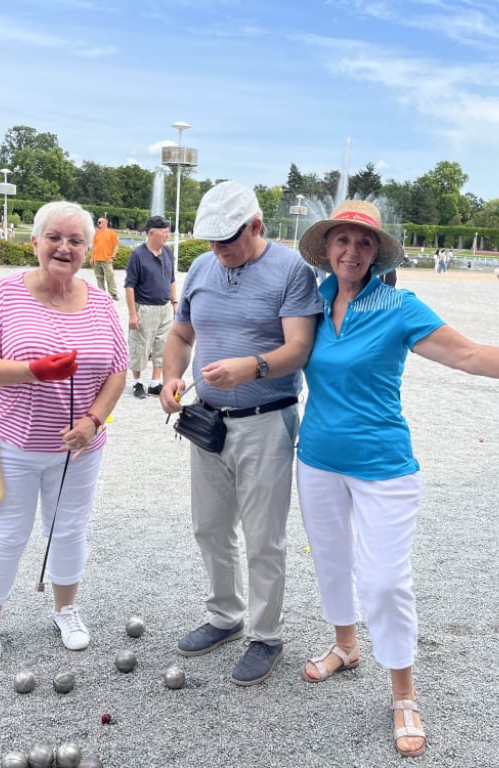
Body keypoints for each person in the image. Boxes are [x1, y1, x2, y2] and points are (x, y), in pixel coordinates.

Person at [294, 201, 499, 757]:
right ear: (328, 247)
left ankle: (404, 693)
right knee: (331, 559)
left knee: (386, 580)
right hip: (315, 458)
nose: (352, 252)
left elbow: (470, 355)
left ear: (377, 253)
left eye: (364, 244)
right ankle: (346, 645)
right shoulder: (310, 300)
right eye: (342, 241)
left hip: (384, 466)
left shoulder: (398, 305)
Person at [159, 182, 320, 686]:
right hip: (207, 419)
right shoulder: (205, 267)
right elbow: (182, 333)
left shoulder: (291, 270)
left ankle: (266, 633)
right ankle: (225, 615)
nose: (218, 250)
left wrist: (253, 367)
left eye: (227, 239)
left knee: (263, 537)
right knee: (209, 526)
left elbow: (300, 346)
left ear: (257, 226)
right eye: (210, 241)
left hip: (265, 419)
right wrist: (170, 376)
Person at [0, 200, 127, 668]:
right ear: (34, 242)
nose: (64, 247)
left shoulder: (99, 302)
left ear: (89, 249)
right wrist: (33, 370)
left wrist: (93, 420)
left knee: (69, 529)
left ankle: (66, 609)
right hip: (14, 442)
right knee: (6, 534)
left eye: (75, 240)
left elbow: (118, 370)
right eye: (54, 237)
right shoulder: (3, 294)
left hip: (79, 447)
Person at [125, 215, 177, 398]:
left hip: (164, 308)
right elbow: (130, 285)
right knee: (140, 345)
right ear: (151, 233)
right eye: (164, 232)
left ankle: (155, 383)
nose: (167, 235)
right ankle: (137, 382)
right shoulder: (138, 255)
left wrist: (175, 303)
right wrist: (133, 314)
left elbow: (172, 279)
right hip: (145, 308)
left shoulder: (167, 252)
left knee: (162, 346)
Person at [90, 216, 119, 300]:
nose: (98, 223)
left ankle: (113, 293)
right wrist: (92, 258)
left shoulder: (111, 233)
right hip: (97, 259)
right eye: (98, 222)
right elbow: (94, 246)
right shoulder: (97, 233)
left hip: (106, 260)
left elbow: (116, 245)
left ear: (105, 223)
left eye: (100, 222)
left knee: (110, 277)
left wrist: (112, 257)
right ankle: (101, 293)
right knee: (99, 277)